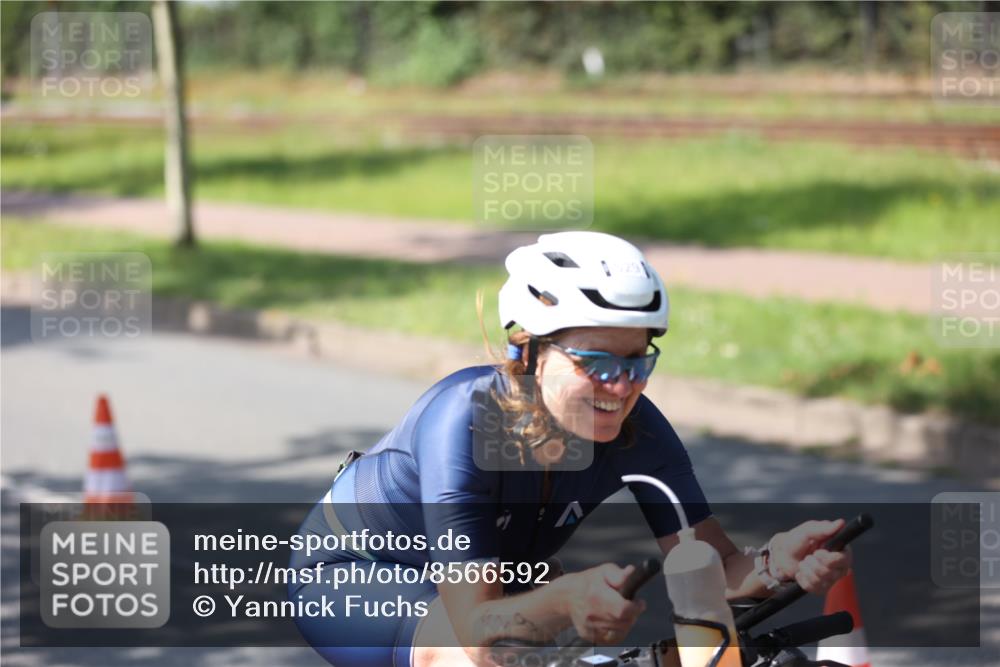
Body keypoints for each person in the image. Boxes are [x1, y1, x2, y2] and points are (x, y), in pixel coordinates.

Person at [290, 231, 851, 667]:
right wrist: (564, 599)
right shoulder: (463, 420)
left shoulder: (640, 429)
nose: (623, 385)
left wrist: (776, 562)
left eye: (639, 360)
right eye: (598, 363)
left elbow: (716, 567)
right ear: (529, 352)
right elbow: (477, 633)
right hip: (357, 573)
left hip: (495, 581)